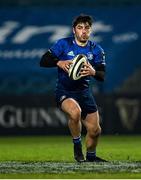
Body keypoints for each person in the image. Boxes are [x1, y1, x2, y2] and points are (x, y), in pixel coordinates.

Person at [40, 14, 107, 163]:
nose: (84, 31)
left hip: (84, 93)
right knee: (75, 112)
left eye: (87, 28)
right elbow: (43, 60)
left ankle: (91, 157)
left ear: (90, 30)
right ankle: (77, 146)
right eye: (80, 27)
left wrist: (93, 72)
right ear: (74, 30)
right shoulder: (63, 44)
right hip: (65, 91)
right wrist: (59, 62)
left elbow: (102, 75)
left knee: (95, 131)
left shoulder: (96, 50)